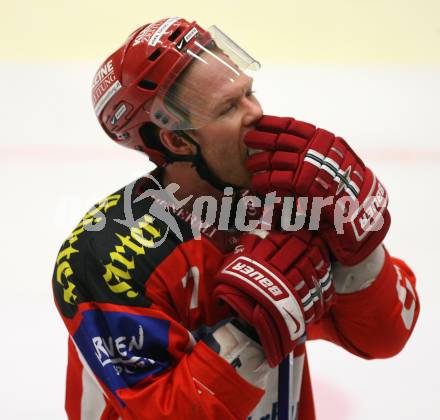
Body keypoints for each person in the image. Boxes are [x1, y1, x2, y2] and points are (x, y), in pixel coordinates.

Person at [52, 17, 420, 420]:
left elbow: (384, 337)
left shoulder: (287, 204)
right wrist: (252, 329)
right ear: (176, 140)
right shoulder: (104, 255)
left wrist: (357, 241)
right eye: (229, 107)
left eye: (250, 93)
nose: (257, 113)